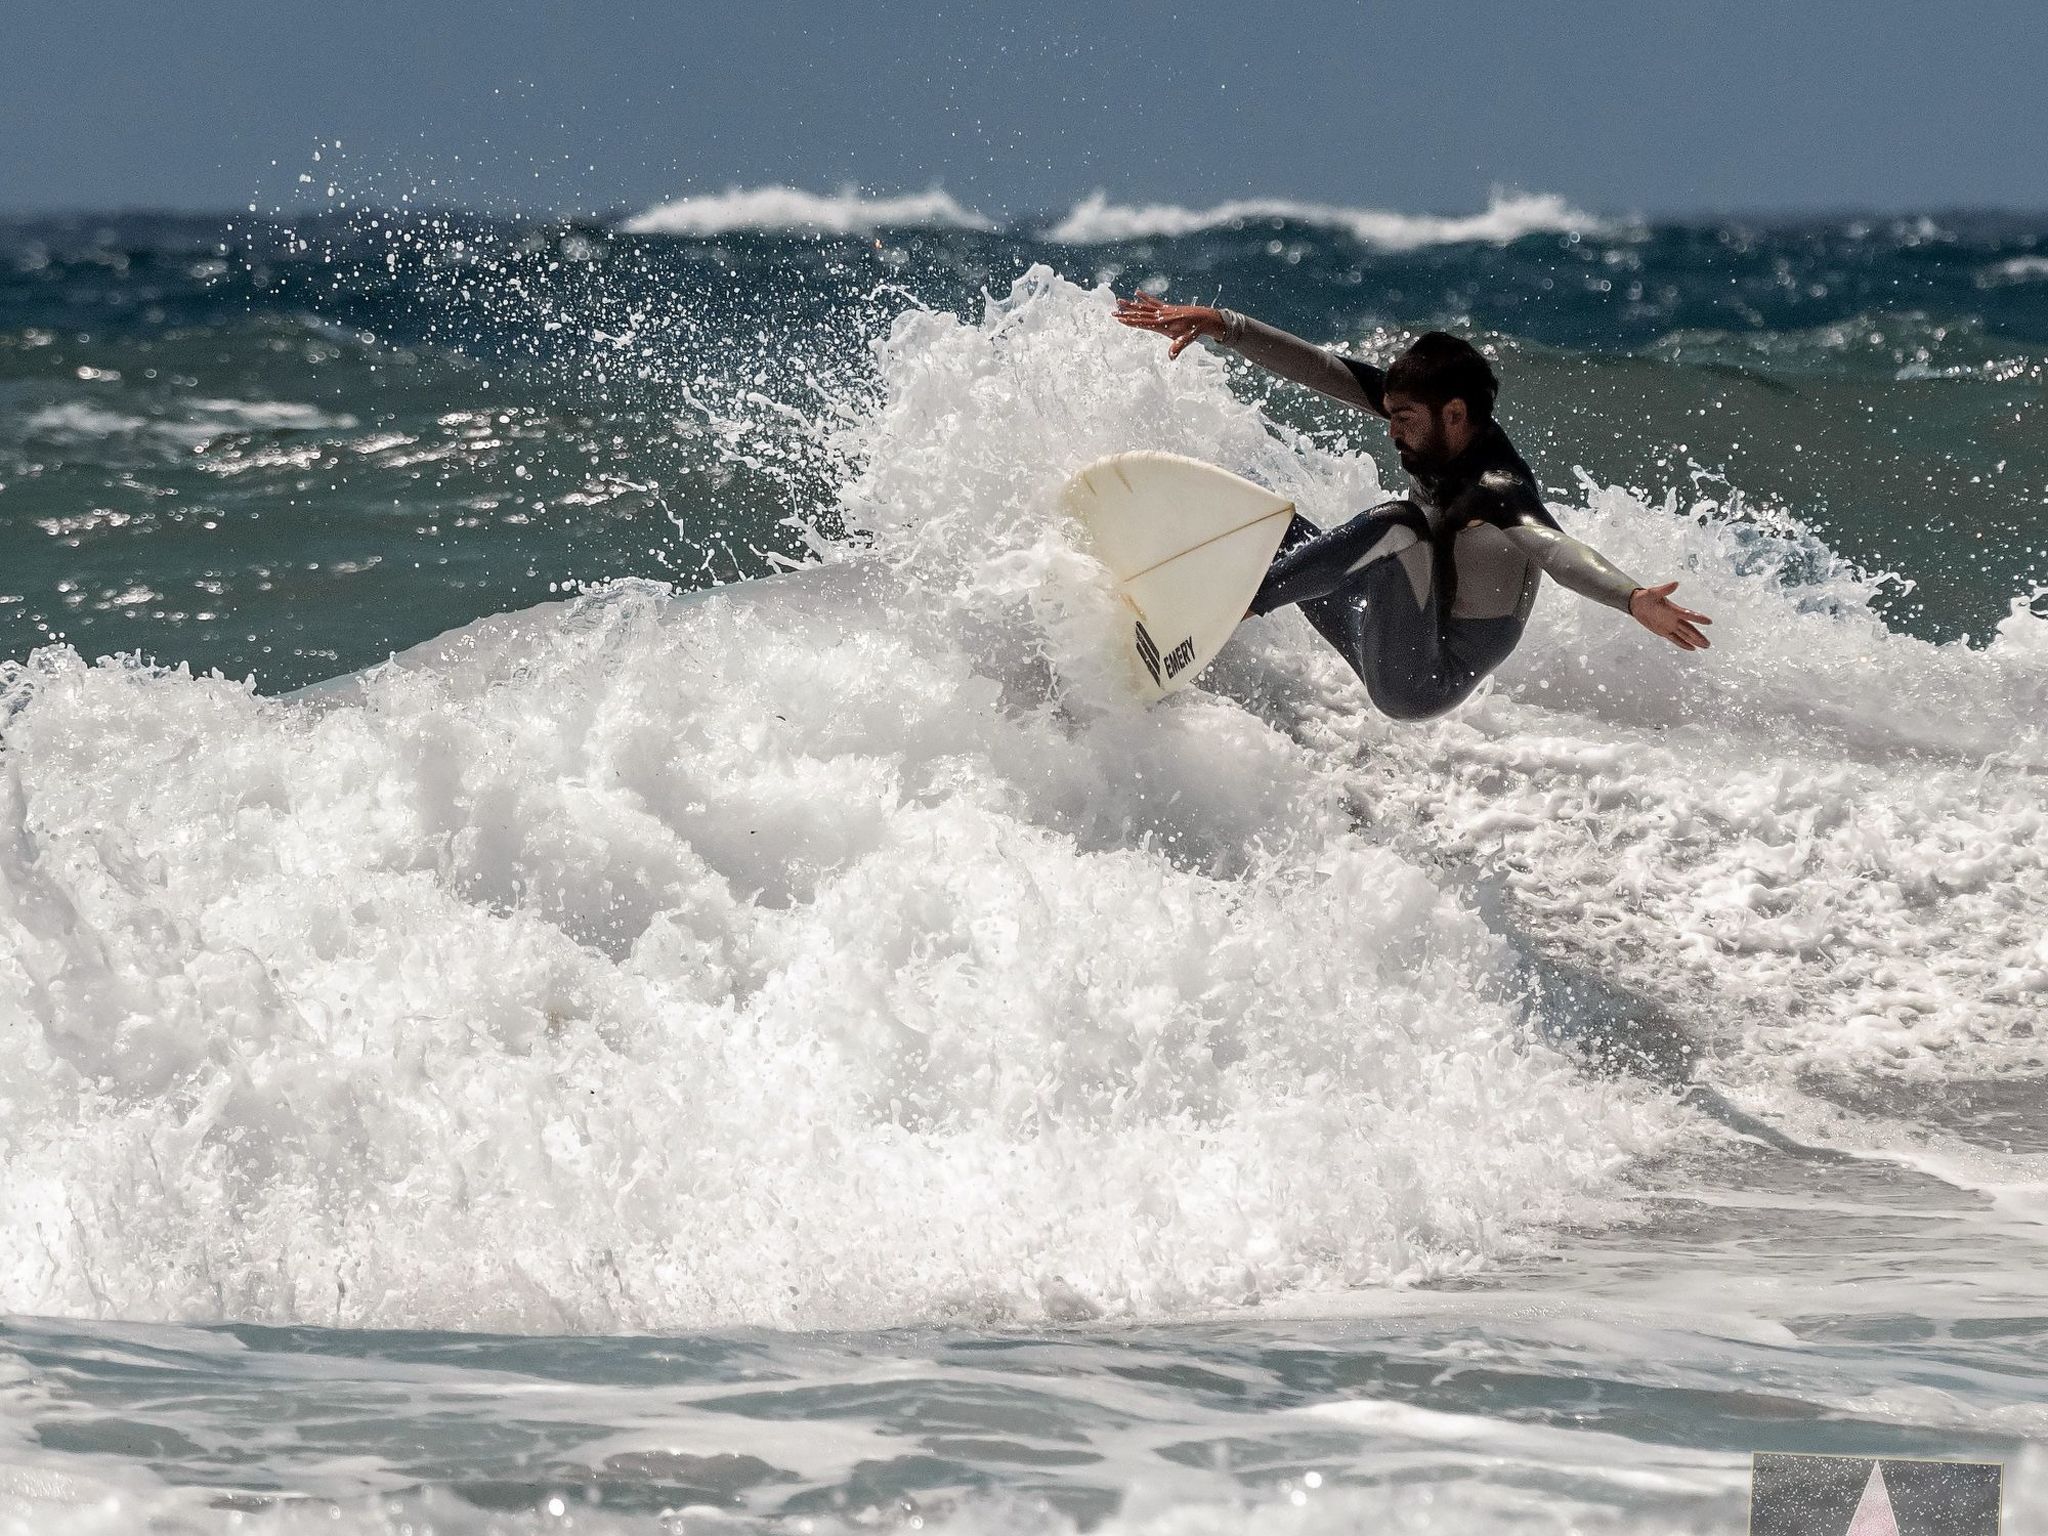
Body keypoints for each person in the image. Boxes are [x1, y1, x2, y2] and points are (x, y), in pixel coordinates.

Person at [1112, 293, 1711, 720]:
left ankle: (1224, 613)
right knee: (1278, 528)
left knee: (1398, 525)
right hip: (1374, 627)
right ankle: (1176, 628)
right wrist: (1224, 324)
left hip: (1424, 678)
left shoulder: (1496, 488)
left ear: (1455, 413)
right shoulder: (1432, 426)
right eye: (1391, 415)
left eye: (1404, 420)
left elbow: (1556, 551)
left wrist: (1632, 597)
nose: (1393, 431)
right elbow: (1321, 368)